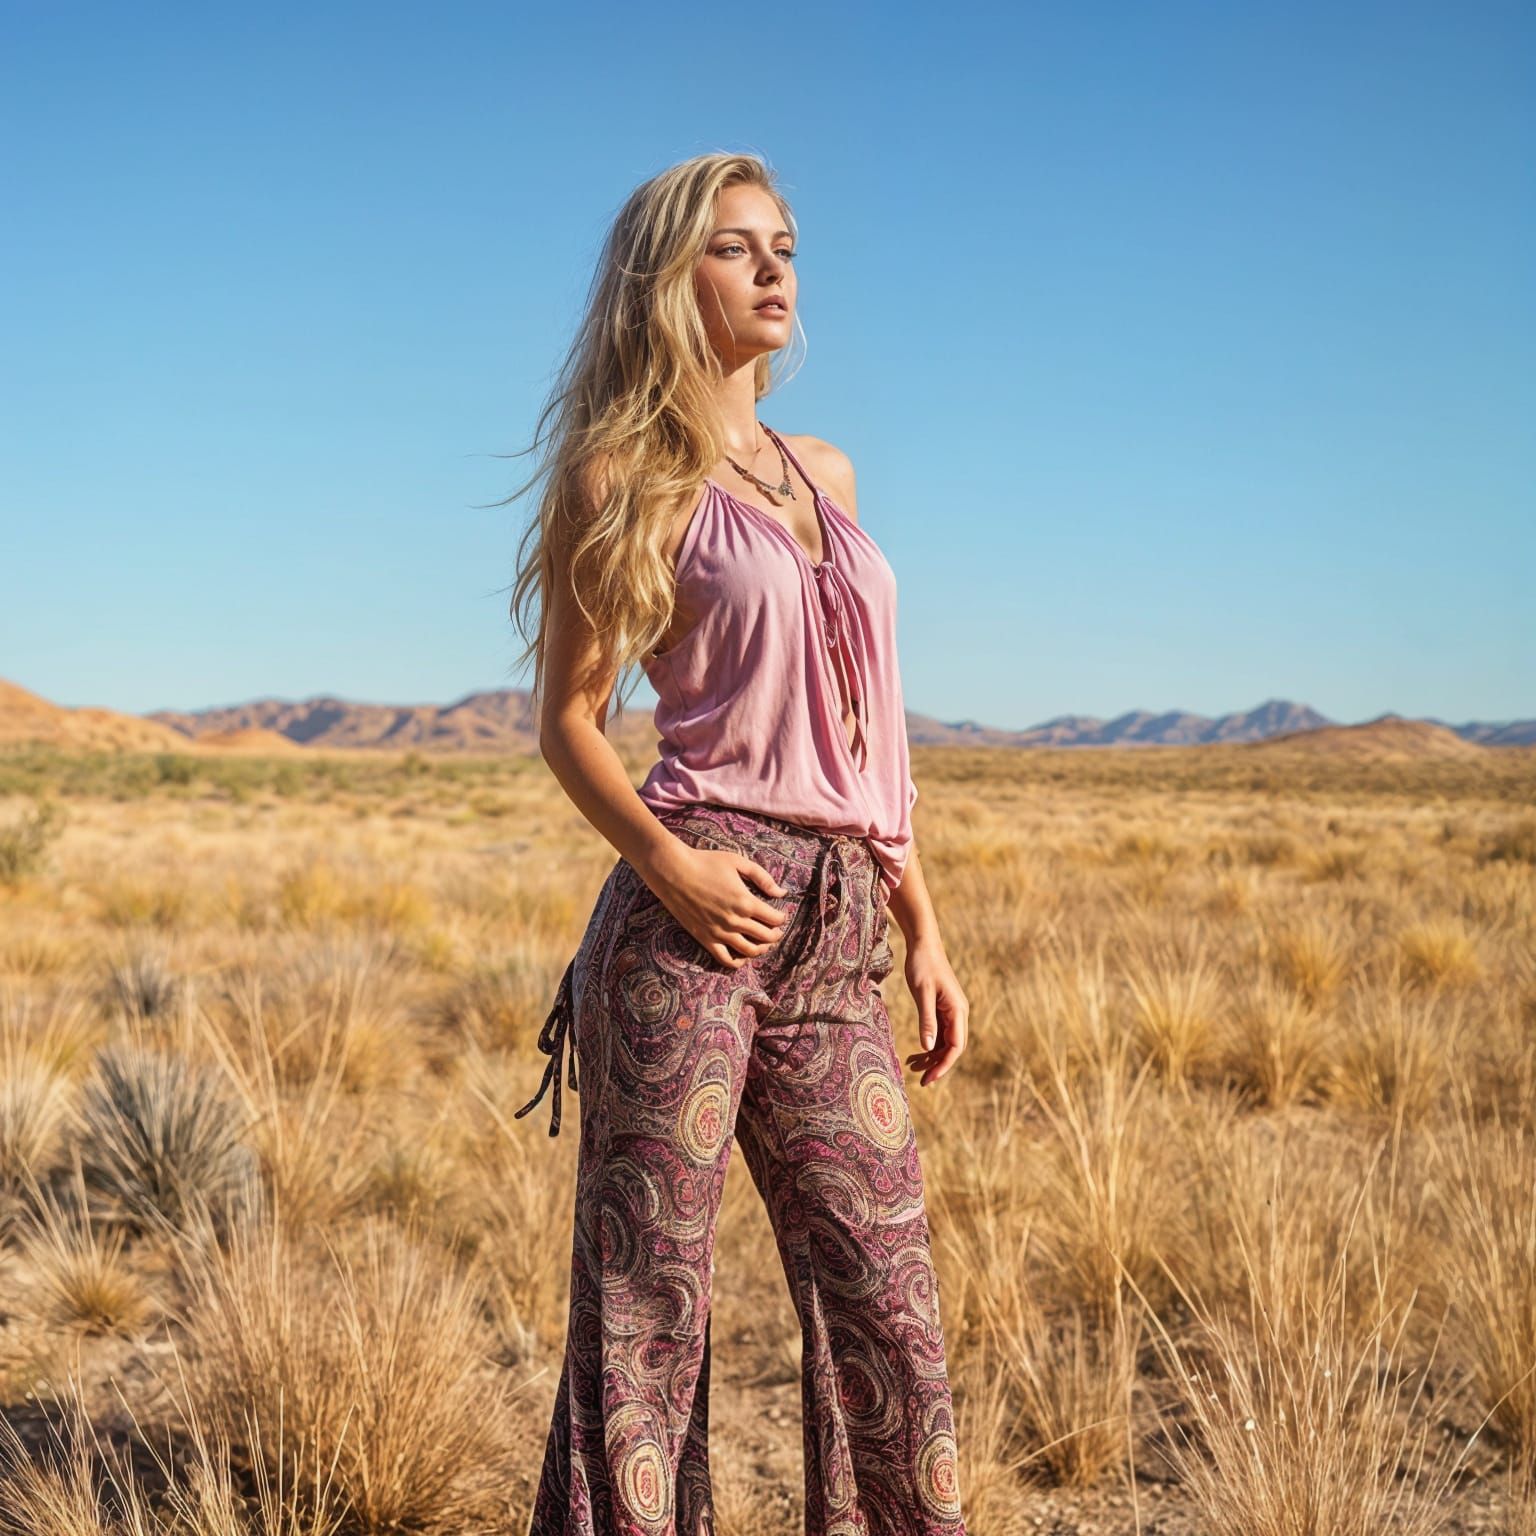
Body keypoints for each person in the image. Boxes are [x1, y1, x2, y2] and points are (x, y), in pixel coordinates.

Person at [504, 150, 970, 1536]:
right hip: (692, 911)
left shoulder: (828, 473)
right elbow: (569, 719)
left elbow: (865, 727)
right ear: (669, 279)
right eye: (734, 246)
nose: (774, 269)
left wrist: (922, 925)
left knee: (889, 1306)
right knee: (648, 1311)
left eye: (785, 246)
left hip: (840, 923)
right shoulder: (623, 476)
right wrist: (670, 869)